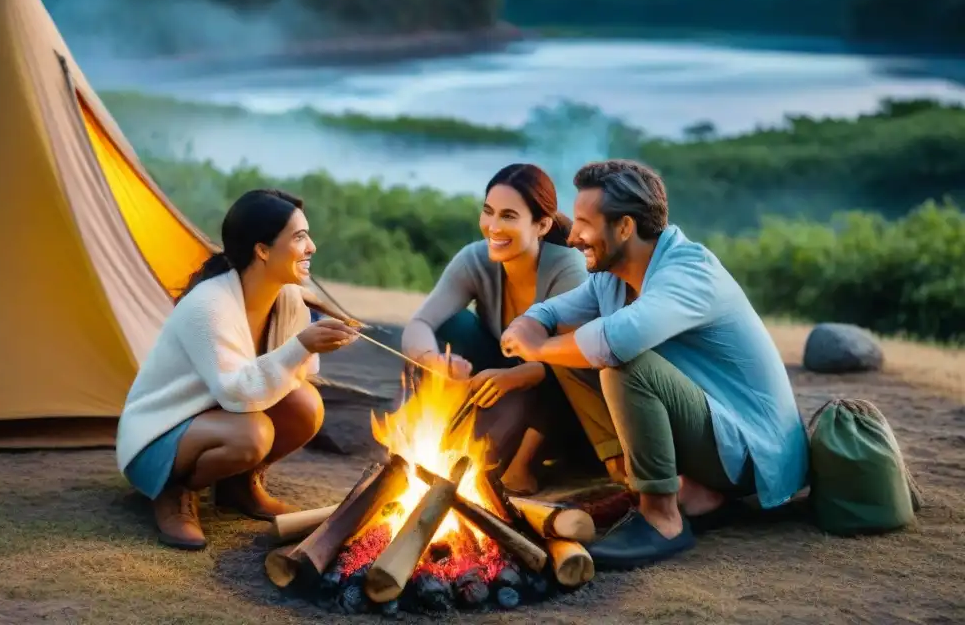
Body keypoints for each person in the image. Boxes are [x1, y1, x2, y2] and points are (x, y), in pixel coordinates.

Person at [500, 159, 809, 569]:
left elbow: (616, 342)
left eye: (583, 223)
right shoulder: (613, 273)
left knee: (624, 363)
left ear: (625, 227)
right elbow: (559, 309)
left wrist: (537, 349)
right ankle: (694, 494)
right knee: (575, 350)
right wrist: (531, 322)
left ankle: (661, 517)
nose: (571, 236)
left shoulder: (690, 272)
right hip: (714, 437)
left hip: (751, 450)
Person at [115, 189, 360, 550]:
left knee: (306, 404)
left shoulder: (288, 298)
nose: (312, 247)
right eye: (299, 237)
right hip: (160, 433)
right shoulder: (209, 305)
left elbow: (296, 375)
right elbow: (235, 392)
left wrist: (315, 343)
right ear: (262, 250)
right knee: (253, 433)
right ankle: (173, 492)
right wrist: (302, 344)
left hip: (221, 418)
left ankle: (238, 485)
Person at [401, 163, 625, 495]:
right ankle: (433, 436)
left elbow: (579, 359)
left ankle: (522, 467)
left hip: (565, 403)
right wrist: (434, 359)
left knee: (563, 367)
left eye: (508, 216)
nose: (493, 226)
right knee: (453, 325)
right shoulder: (475, 260)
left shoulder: (566, 268)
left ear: (542, 224)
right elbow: (419, 324)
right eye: (488, 212)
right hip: (505, 380)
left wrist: (516, 376)